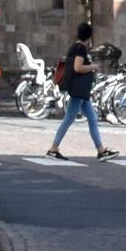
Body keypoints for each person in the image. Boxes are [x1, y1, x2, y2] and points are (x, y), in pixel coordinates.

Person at [49, 22, 116, 161]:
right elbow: (77, 68)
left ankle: (101, 150)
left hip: (81, 91)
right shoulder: (80, 48)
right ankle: (53, 149)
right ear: (89, 36)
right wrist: (93, 66)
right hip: (79, 90)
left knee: (92, 118)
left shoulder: (75, 46)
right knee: (69, 119)